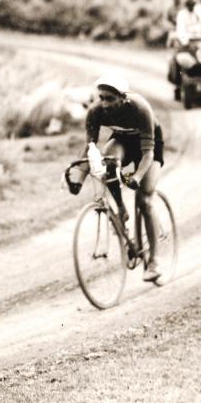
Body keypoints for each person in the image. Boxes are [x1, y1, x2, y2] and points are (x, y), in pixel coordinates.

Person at [67, 74, 165, 283]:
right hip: (122, 139)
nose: (105, 103)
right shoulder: (95, 111)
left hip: (148, 147)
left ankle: (155, 262)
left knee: (145, 200)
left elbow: (147, 155)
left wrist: (137, 176)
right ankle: (121, 210)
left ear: (123, 98)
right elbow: (90, 150)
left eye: (110, 99)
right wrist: (78, 177)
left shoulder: (140, 108)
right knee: (106, 159)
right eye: (101, 97)